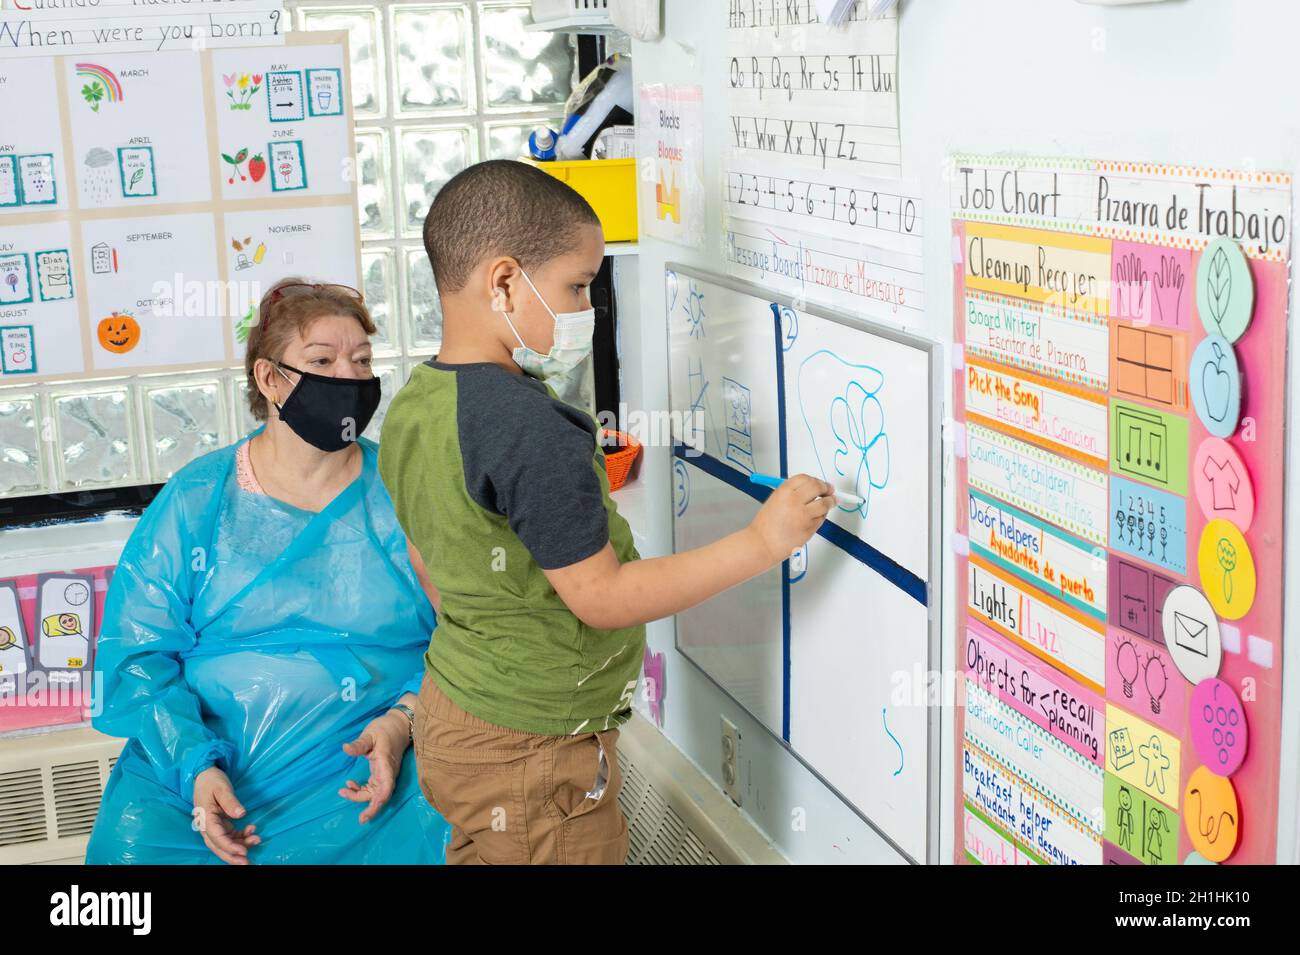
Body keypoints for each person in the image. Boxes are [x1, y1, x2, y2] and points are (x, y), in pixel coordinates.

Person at [379, 160, 834, 865]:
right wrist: (761, 539)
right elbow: (603, 596)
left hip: (456, 714)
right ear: (503, 280)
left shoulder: (416, 403)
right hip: (531, 749)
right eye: (577, 285)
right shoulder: (526, 426)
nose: (585, 309)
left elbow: (425, 555)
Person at [85, 279, 452, 865]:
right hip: (203, 771)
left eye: (362, 361)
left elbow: (467, 634)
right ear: (268, 377)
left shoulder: (407, 494)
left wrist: (402, 722)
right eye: (322, 361)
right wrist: (195, 767)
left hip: (367, 761)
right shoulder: (198, 499)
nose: (351, 379)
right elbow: (137, 657)